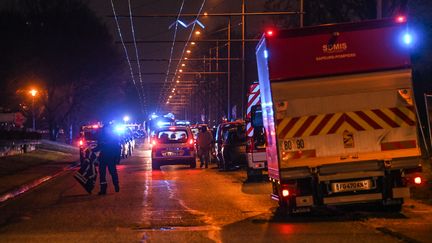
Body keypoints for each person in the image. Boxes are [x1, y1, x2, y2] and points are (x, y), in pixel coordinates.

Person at [93, 124, 121, 195]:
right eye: (105, 129)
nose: (106, 130)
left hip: (111, 157)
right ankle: (103, 189)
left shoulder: (114, 137)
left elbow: (118, 148)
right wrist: (92, 150)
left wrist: (117, 158)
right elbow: (99, 147)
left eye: (107, 129)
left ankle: (116, 185)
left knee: (113, 172)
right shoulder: (102, 137)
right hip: (103, 158)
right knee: (102, 174)